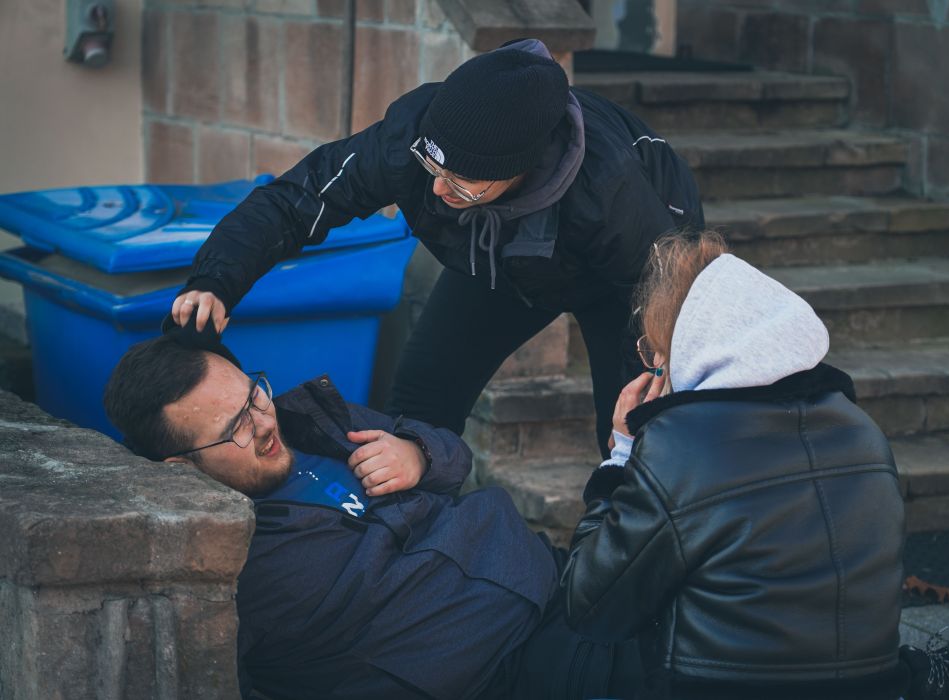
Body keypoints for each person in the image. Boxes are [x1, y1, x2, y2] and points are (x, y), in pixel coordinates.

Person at [169, 38, 703, 459]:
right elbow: (299, 199)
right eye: (433, 168)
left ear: (516, 173)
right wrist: (217, 278)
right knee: (418, 410)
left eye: (462, 185)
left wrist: (653, 380)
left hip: (632, 282)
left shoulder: (611, 191)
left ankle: (624, 555)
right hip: (503, 261)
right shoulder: (409, 139)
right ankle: (415, 541)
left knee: (632, 434)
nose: (439, 191)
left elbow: (664, 288)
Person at [560, 231, 949, 700]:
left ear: (688, 345)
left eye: (656, 350)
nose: (655, 367)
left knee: (563, 642)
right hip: (870, 684)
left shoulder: (678, 446)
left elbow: (589, 602)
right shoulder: (861, 427)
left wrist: (621, 456)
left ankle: (947, 680)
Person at [103, 332, 644, 700]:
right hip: (499, 668)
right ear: (182, 467)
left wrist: (418, 454)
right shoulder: (226, 563)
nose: (263, 423)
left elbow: (455, 459)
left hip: (551, 575)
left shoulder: (315, 420)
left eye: (253, 397)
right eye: (235, 428)